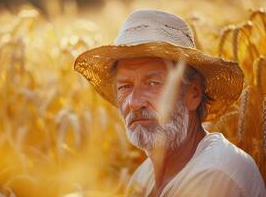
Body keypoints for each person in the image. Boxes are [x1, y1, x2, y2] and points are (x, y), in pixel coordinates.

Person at [74, 10, 265, 196]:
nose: (133, 102)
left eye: (152, 83)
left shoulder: (216, 173)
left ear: (193, 94)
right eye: (124, 86)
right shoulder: (143, 176)